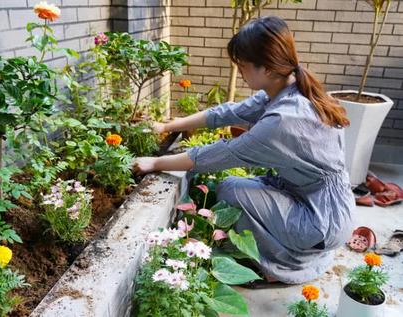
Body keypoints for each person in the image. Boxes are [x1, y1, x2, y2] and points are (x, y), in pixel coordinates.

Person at [133, 16, 355, 285]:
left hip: (320, 221)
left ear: (268, 69)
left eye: (243, 66)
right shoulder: (286, 87)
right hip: (315, 200)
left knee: (230, 190)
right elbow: (227, 113)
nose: (239, 71)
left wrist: (156, 163)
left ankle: (285, 264)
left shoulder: (284, 120)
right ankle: (296, 253)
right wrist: (167, 126)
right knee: (238, 186)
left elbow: (220, 154)